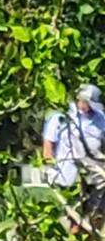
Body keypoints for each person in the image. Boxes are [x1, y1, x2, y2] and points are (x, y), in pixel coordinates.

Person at [41, 83, 105, 229]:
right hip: (69, 173)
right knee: (76, 217)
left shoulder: (101, 118)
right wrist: (50, 169)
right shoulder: (60, 118)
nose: (85, 106)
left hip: (94, 172)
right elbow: (48, 146)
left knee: (97, 213)